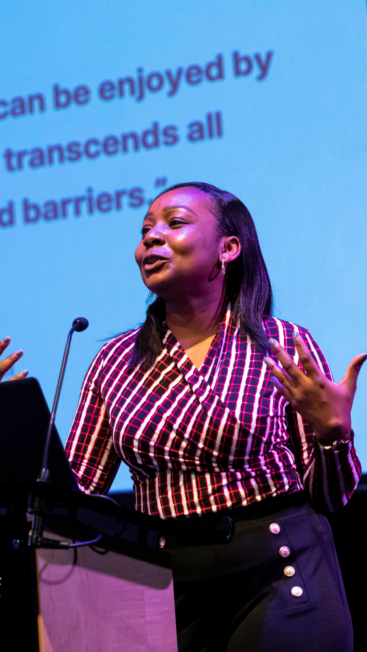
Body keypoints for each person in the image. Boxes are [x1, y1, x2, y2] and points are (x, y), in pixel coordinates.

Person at [3, 182, 365, 651]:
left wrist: (333, 436)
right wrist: (12, 425)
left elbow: (330, 499)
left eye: (174, 224)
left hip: (281, 571)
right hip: (165, 586)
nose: (150, 239)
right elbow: (75, 502)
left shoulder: (280, 344)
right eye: (145, 230)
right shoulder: (114, 360)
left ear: (228, 249)